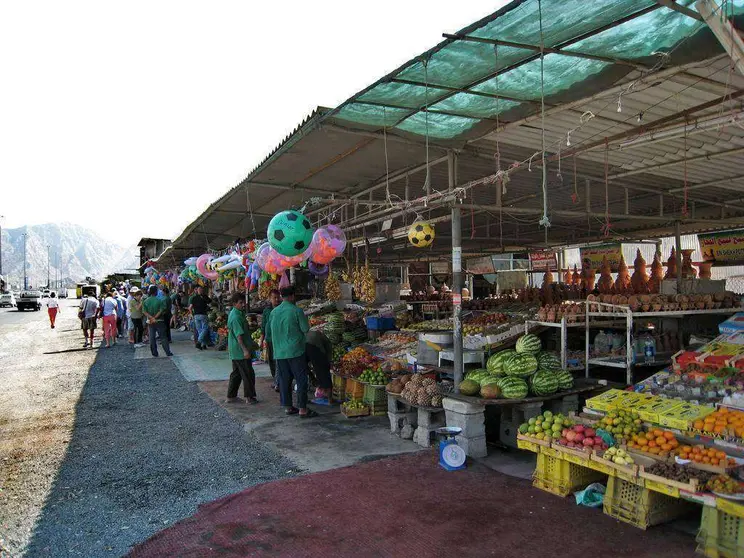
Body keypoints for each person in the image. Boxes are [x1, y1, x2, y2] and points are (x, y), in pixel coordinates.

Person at [265, 286, 317, 418]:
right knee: (301, 380)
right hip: (295, 351)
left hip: (280, 352)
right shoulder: (296, 311)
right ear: (293, 296)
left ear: (282, 296)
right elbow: (305, 329)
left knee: (284, 380)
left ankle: (288, 407)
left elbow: (268, 333)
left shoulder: (274, 312)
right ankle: (302, 409)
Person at [226, 292, 259, 404]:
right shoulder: (235, 317)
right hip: (240, 351)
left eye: (243, 302)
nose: (243, 304)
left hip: (236, 350)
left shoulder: (237, 313)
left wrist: (251, 343)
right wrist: (245, 350)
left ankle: (231, 396)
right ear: (235, 303)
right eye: (240, 303)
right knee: (248, 373)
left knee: (236, 374)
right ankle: (249, 397)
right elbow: (239, 336)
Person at [143, 285, 173, 357]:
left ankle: (154, 353)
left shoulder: (146, 301)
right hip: (160, 321)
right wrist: (155, 317)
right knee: (163, 337)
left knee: (152, 338)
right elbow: (161, 310)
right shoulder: (159, 300)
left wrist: (151, 318)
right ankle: (168, 352)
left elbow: (144, 311)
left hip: (150, 322)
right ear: (156, 292)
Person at [261, 289, 281, 390]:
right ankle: (275, 379)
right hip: (269, 339)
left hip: (279, 339)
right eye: (274, 298)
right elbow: (263, 325)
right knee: (271, 361)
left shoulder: (282, 309)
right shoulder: (266, 310)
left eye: (278, 297)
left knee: (278, 360)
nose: (277, 299)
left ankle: (278, 382)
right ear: (270, 298)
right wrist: (262, 338)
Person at [305, 329, 333, 403]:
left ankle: (314, 382)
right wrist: (328, 361)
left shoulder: (316, 334)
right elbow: (326, 353)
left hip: (301, 343)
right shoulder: (326, 342)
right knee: (323, 371)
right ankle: (330, 398)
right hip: (311, 344)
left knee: (303, 367)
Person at [189, 285, 211, 350]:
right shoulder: (205, 297)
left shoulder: (193, 298)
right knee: (205, 329)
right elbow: (210, 303)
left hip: (196, 316)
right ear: (202, 290)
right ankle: (199, 342)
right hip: (203, 315)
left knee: (200, 330)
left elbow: (190, 308)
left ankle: (203, 345)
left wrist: (192, 315)